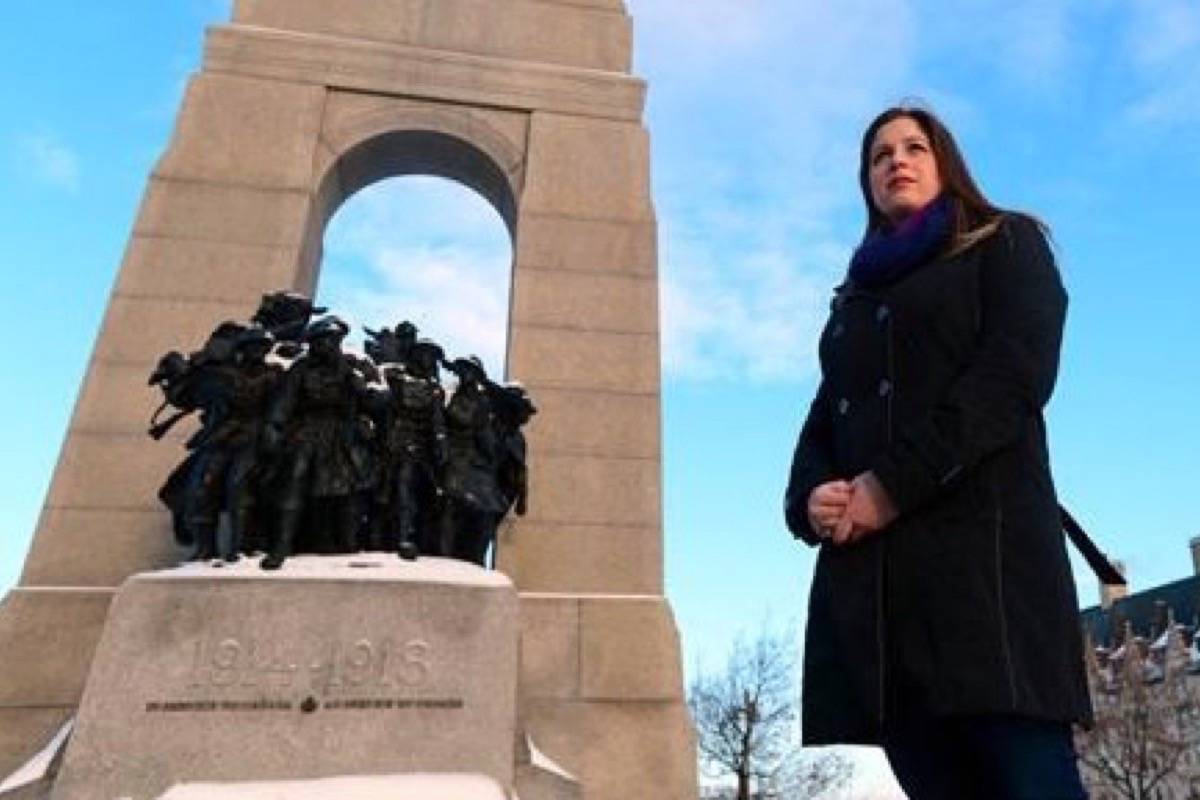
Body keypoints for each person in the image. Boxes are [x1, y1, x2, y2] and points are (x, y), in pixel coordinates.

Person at [784, 106, 1091, 800]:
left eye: (914, 146)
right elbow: (822, 421)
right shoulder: (855, 299)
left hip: (989, 589)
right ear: (866, 182)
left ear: (944, 161)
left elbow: (1011, 380)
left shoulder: (1007, 241)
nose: (897, 159)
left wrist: (887, 488)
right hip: (886, 609)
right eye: (879, 154)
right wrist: (811, 498)